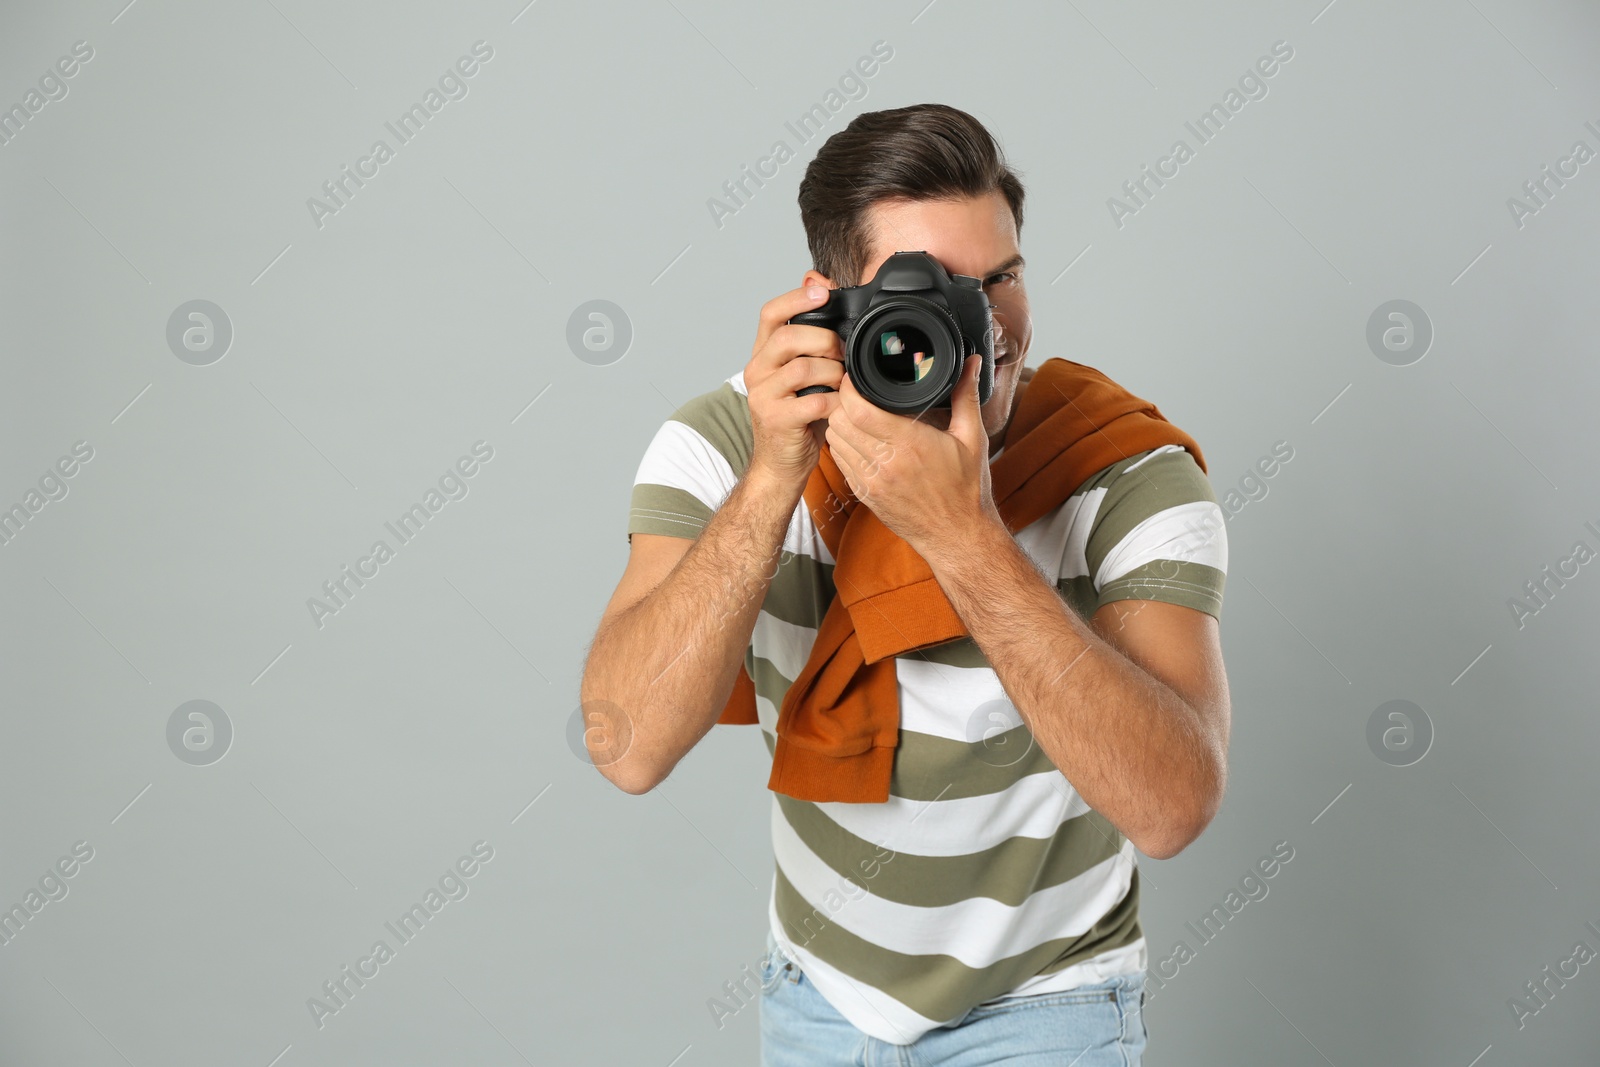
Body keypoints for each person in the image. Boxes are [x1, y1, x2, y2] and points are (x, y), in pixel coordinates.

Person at [580, 103, 1231, 1066]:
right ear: (826, 302)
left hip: (1048, 1006)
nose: (981, 330)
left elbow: (1173, 806)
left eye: (1000, 279)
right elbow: (624, 746)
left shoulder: (1121, 473)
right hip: (819, 999)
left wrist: (963, 534)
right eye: (929, 291)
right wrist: (771, 478)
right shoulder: (727, 444)